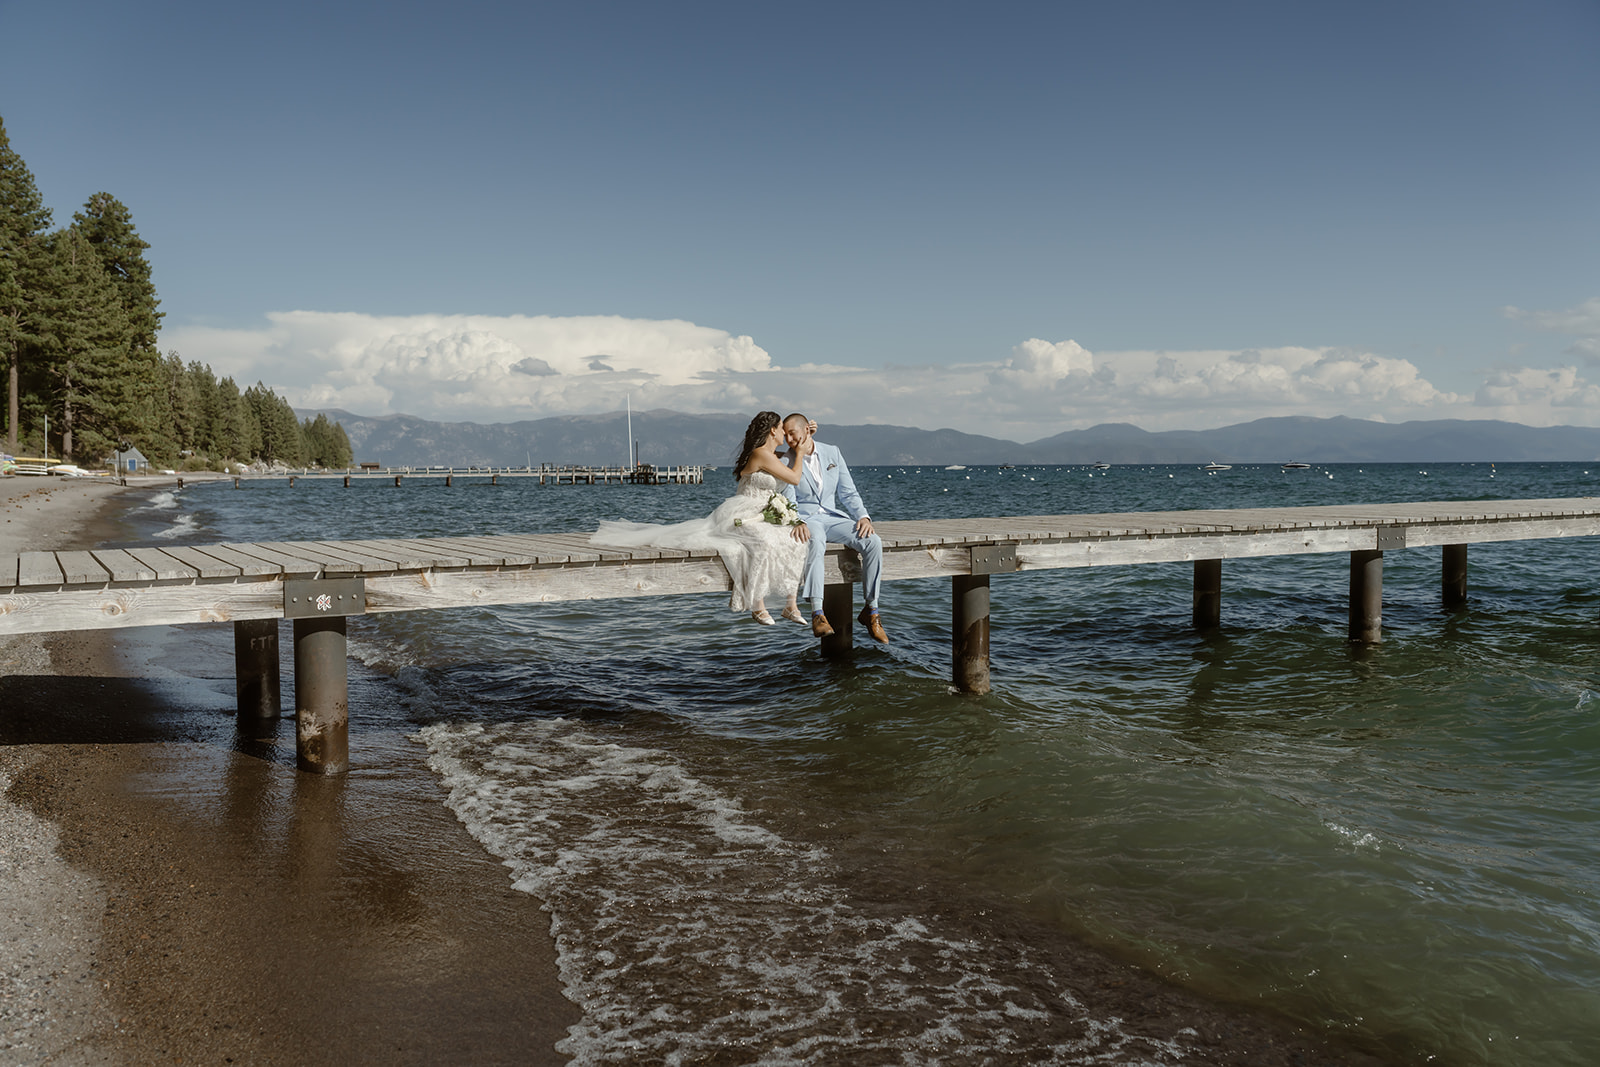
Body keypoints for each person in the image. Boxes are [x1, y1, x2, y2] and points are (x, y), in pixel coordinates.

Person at [591, 411, 809, 625]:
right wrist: (799, 453)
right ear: (773, 430)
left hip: (765, 511)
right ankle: (757, 604)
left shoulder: (773, 456)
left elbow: (793, 457)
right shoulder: (760, 454)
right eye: (782, 428)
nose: (785, 434)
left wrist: (807, 436)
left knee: (795, 541)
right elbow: (795, 477)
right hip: (744, 510)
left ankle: (791, 605)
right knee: (763, 542)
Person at [781, 413, 887, 642]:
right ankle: (818, 614)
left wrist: (863, 516)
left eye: (792, 433)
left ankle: (872, 610)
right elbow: (788, 498)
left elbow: (848, 492)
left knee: (873, 542)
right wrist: (796, 520)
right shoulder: (784, 461)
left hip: (832, 516)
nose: (788, 439)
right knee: (816, 540)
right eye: (785, 434)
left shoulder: (832, 452)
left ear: (806, 431)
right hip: (806, 519)